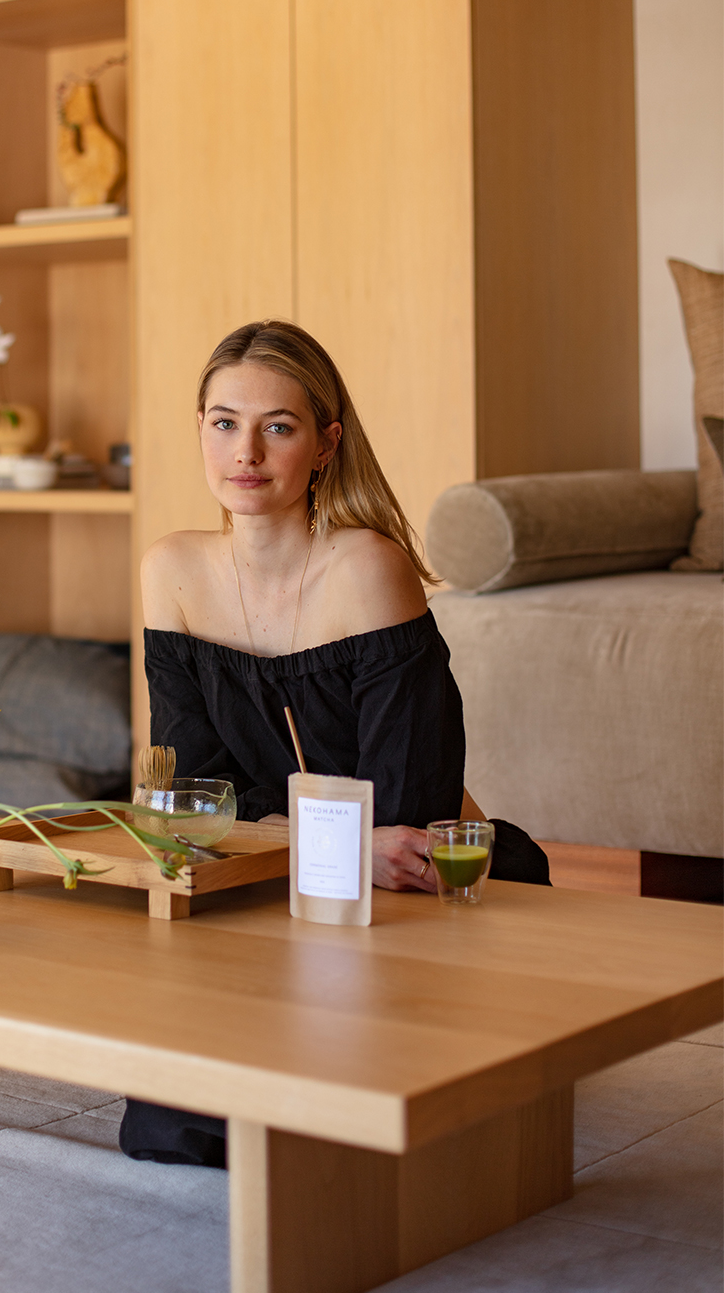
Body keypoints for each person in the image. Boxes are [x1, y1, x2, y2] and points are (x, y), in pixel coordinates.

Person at [118, 320, 549, 1169]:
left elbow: (411, 808)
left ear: (324, 445)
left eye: (278, 425)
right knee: (177, 1123)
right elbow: (195, 805)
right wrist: (301, 841)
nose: (246, 450)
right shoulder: (171, 570)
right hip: (289, 876)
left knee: (342, 1122)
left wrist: (270, 833)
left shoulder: (367, 567)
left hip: (430, 883)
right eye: (223, 421)